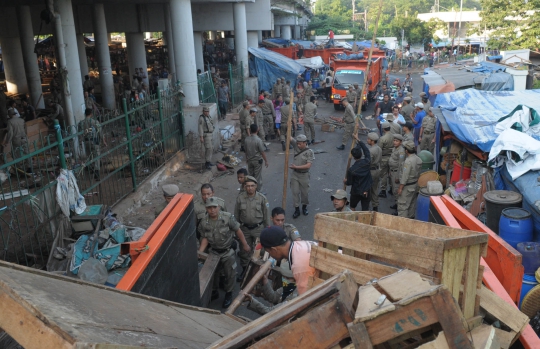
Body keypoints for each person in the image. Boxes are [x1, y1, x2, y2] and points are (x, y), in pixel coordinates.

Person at [199, 197, 251, 308]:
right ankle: (214, 292)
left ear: (218, 207)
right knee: (213, 274)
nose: (212, 210)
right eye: (209, 208)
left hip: (227, 252)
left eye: (214, 207)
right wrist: (200, 253)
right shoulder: (204, 222)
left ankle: (229, 294)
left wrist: (245, 244)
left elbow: (238, 230)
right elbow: (205, 238)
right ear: (206, 208)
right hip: (213, 252)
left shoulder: (227, 218)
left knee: (230, 274)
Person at [260, 226, 316, 295]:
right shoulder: (301, 244)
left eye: (269, 252)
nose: (271, 256)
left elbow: (306, 298)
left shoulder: (299, 265)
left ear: (274, 249)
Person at [235, 176, 270, 281]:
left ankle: (258, 272)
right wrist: (236, 230)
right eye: (248, 186)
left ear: (256, 186)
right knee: (244, 250)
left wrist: (267, 230)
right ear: (245, 187)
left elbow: (266, 216)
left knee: (259, 251)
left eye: (252, 186)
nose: (250, 188)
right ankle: (245, 271)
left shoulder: (262, 199)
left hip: (258, 228)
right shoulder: (240, 198)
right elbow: (236, 215)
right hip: (244, 229)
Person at [344, 135, 373, 211]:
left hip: (356, 191)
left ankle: (353, 220)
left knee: (352, 207)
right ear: (361, 154)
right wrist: (359, 140)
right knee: (365, 210)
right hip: (366, 190)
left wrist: (345, 181)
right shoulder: (367, 162)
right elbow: (366, 150)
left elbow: (349, 182)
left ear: (353, 157)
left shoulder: (351, 170)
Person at [78, 108, 106, 180]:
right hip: (94, 141)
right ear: (91, 114)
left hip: (86, 141)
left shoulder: (81, 123)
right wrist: (103, 141)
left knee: (89, 155)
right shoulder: (94, 121)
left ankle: (91, 168)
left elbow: (80, 134)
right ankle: (96, 171)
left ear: (85, 114)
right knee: (96, 156)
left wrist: (80, 143)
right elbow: (100, 132)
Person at [290, 134, 314, 218]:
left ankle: (304, 207)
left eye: (300, 144)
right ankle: (297, 209)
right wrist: (288, 125)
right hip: (295, 175)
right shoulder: (296, 145)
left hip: (304, 175)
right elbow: (289, 137)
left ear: (305, 143)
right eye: (297, 143)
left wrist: (296, 167)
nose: (298, 145)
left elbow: (308, 165)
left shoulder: (309, 152)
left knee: (305, 193)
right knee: (295, 192)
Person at [397, 141, 422, 218]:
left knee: (402, 206)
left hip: (407, 186)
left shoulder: (408, 161)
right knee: (411, 204)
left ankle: (402, 225)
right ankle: (410, 221)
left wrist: (400, 188)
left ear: (406, 150)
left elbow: (405, 176)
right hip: (414, 184)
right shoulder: (418, 159)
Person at [245, 124, 269, 192]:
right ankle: (258, 191)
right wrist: (266, 161)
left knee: (251, 176)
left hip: (249, 160)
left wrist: (246, 158)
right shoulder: (258, 140)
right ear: (257, 130)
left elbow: (246, 151)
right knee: (257, 177)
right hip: (257, 161)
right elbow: (262, 152)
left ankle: (250, 189)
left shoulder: (246, 139)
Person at [388, 134, 406, 212]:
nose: (395, 142)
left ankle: (399, 209)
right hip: (392, 171)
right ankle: (396, 204)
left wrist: (397, 177)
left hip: (396, 173)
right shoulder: (395, 149)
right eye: (394, 140)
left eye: (397, 141)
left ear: (401, 142)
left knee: (396, 190)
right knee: (393, 189)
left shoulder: (401, 151)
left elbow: (400, 165)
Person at [366, 132, 382, 211]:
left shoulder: (371, 151)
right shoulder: (379, 148)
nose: (367, 140)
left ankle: (366, 206)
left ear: (372, 141)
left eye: (369, 139)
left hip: (371, 171)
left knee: (368, 189)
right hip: (377, 170)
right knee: (375, 189)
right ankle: (375, 206)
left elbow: (368, 162)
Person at [378, 122, 393, 198]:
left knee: (383, 174)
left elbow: (379, 149)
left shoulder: (382, 138)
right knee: (391, 173)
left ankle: (383, 190)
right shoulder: (393, 136)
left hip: (384, 158)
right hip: (392, 157)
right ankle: (391, 188)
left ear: (383, 129)